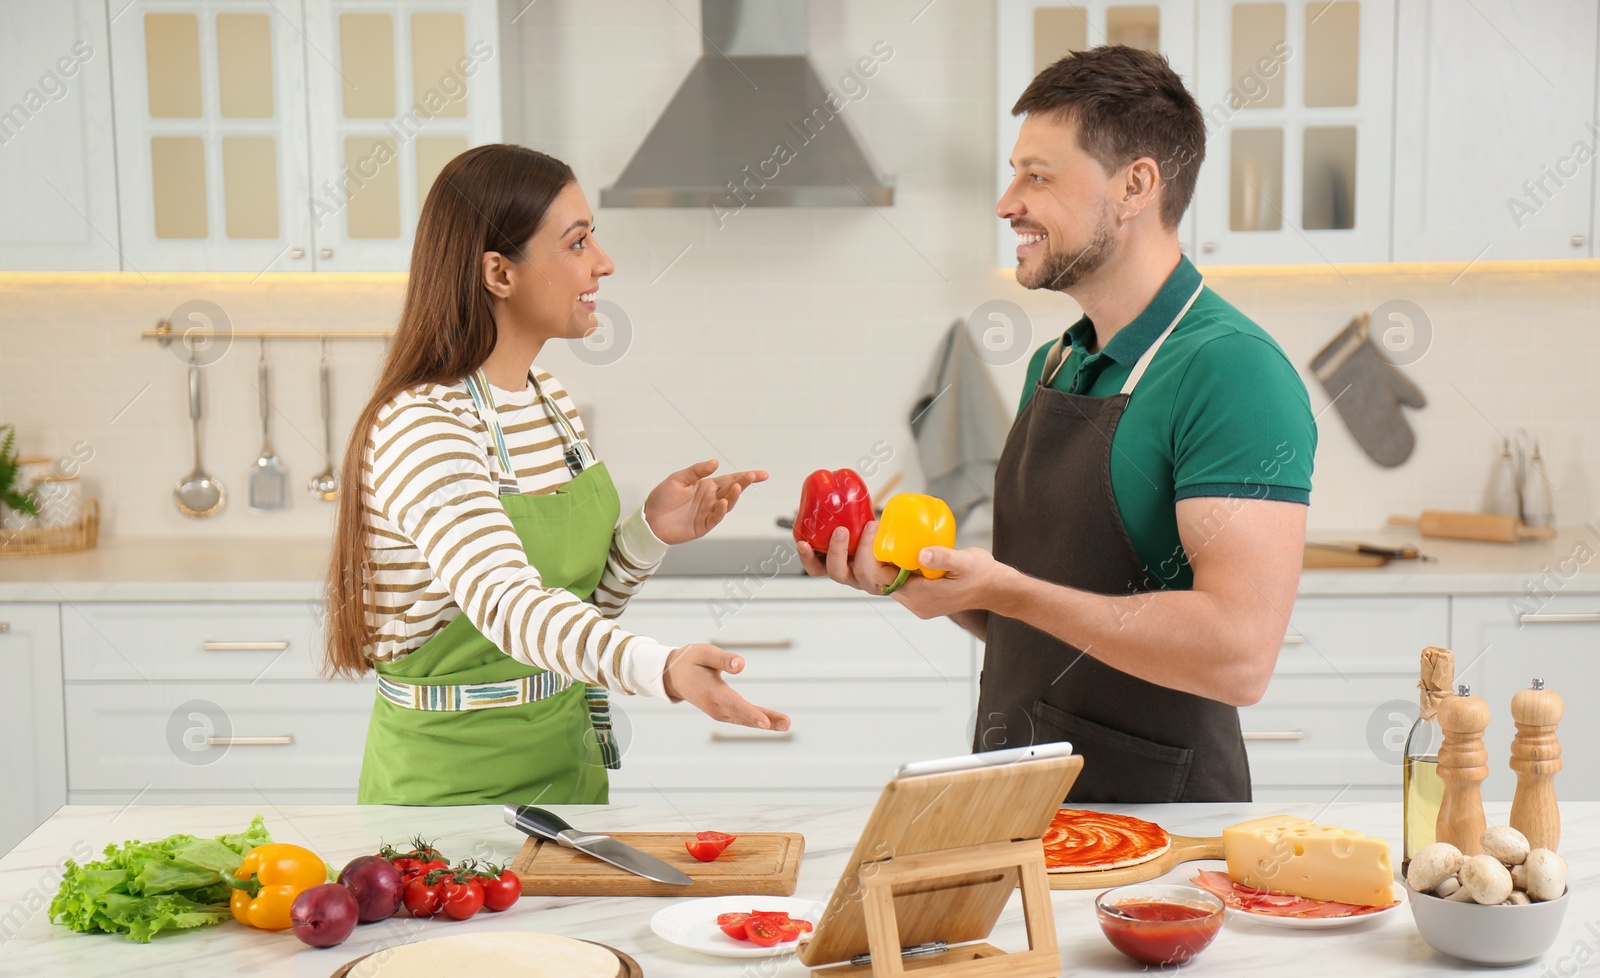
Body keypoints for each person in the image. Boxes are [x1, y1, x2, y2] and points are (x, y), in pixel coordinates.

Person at [800, 46, 1316, 803]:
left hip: (1157, 831)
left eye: (1036, 175)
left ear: (1136, 185)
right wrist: (928, 582)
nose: (1008, 202)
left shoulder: (1231, 371)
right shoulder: (1057, 361)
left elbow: (1239, 656)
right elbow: (1051, 616)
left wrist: (1007, 591)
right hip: (1026, 800)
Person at [323, 144, 788, 806]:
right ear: (499, 273)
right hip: (449, 793)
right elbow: (509, 606)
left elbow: (572, 614)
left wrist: (648, 534)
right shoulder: (425, 425)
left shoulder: (549, 400)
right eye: (577, 243)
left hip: (566, 769)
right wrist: (662, 668)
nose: (604, 261)